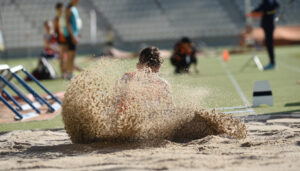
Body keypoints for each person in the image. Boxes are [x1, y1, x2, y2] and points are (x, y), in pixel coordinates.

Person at [115, 46, 174, 113]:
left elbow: (171, 111)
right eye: (147, 72)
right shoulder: (125, 80)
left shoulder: (163, 85)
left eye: (154, 73)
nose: (149, 77)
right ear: (138, 66)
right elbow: (115, 105)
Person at [249, 0, 280, 70]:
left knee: (269, 43)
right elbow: (275, 6)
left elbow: (264, 7)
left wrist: (254, 11)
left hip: (268, 23)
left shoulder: (268, 1)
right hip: (269, 22)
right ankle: (272, 62)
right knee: (268, 43)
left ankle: (272, 63)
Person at [64, 0, 82, 80]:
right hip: (70, 36)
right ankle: (69, 73)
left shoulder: (74, 8)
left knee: (73, 55)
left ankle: (70, 72)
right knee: (70, 55)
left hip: (74, 34)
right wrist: (73, 36)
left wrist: (77, 34)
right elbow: (68, 23)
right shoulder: (69, 8)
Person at [53, 2, 68, 78]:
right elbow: (55, 31)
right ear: (57, 10)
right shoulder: (56, 20)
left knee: (67, 58)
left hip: (67, 40)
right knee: (62, 58)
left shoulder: (65, 18)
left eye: (62, 9)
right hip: (60, 41)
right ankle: (63, 73)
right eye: (60, 9)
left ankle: (67, 72)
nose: (61, 10)